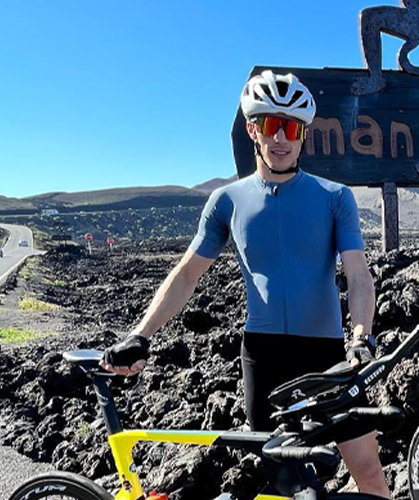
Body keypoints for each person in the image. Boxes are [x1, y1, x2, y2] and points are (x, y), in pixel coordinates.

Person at [100, 70, 391, 498]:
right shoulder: (227, 201)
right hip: (264, 359)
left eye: (292, 128)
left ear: (304, 135)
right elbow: (187, 274)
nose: (281, 138)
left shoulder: (335, 198)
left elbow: (358, 274)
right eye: (271, 125)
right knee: (286, 488)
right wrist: (141, 335)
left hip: (328, 358)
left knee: (370, 477)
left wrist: (362, 335)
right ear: (253, 130)